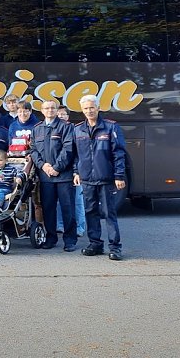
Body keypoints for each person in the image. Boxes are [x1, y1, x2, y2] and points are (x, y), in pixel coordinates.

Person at [73, 94, 127, 261]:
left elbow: (118, 153)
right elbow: (75, 155)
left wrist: (119, 175)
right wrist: (76, 172)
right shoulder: (78, 129)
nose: (89, 111)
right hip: (87, 179)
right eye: (86, 108)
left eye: (91, 107)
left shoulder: (111, 127)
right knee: (90, 212)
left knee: (109, 213)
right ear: (82, 110)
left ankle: (115, 247)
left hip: (106, 178)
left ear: (98, 108)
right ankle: (95, 244)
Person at [31, 100, 78, 251]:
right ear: (42, 111)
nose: (50, 110)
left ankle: (70, 240)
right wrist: (42, 165)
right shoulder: (36, 129)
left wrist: (57, 167)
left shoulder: (66, 127)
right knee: (48, 209)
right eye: (46, 108)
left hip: (63, 175)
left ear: (57, 110)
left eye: (52, 108)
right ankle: (51, 238)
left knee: (67, 209)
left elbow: (69, 149)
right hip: (46, 177)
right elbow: (33, 150)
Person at [56, 106, 86, 236]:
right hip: (60, 171)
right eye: (59, 114)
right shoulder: (54, 130)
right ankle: (60, 225)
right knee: (60, 201)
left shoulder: (75, 130)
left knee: (78, 201)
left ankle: (79, 227)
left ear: (68, 116)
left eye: (64, 114)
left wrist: (76, 170)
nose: (61, 116)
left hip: (74, 171)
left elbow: (78, 153)